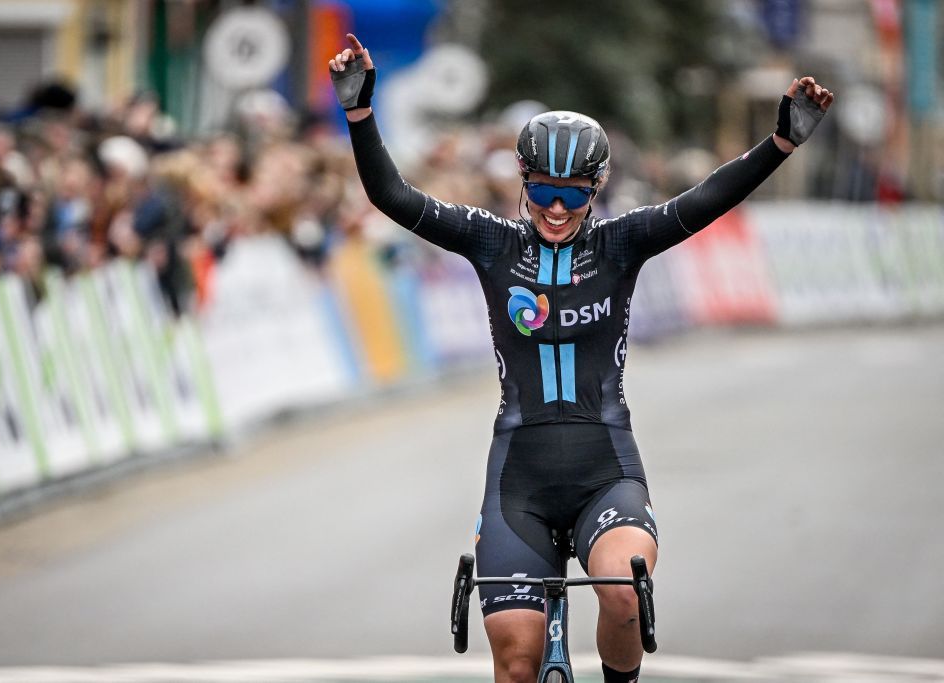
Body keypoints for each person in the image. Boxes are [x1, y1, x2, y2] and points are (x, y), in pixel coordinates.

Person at [329, 33, 833, 683]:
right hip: (521, 476)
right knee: (516, 659)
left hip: (605, 468)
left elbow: (707, 199)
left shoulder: (624, 243)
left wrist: (782, 144)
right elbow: (394, 197)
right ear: (523, 183)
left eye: (574, 193)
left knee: (624, 590)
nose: (558, 209)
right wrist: (360, 114)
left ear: (598, 186)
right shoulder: (491, 243)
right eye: (543, 193)